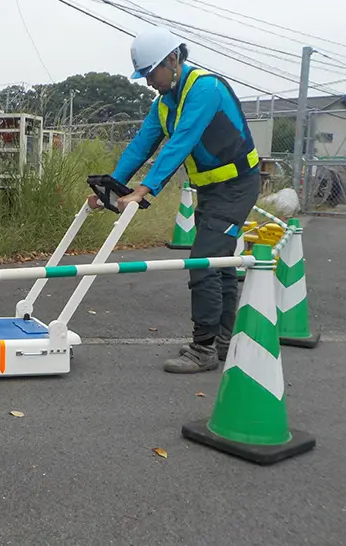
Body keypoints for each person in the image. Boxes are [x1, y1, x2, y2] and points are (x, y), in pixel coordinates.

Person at [88, 25, 261, 374]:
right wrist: (112, 186)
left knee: (204, 263)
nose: (149, 82)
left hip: (236, 186)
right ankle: (223, 342)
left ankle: (203, 349)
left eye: (152, 73)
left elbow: (181, 142)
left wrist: (144, 190)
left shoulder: (205, 89)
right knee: (220, 264)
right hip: (211, 190)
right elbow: (141, 144)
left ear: (173, 59)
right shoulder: (164, 103)